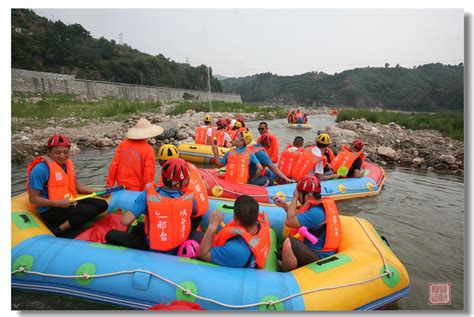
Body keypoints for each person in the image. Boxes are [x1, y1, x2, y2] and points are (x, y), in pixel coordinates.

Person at [105, 158, 204, 252]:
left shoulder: (147, 196)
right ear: (177, 184)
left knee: (111, 235)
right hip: (178, 246)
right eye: (187, 178)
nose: (188, 180)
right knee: (139, 227)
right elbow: (194, 214)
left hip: (151, 247)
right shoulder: (190, 199)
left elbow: (124, 221)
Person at [27, 134, 108, 237]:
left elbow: (77, 186)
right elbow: (33, 199)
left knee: (102, 204)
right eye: (57, 152)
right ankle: (58, 230)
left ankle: (75, 221)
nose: (62, 156)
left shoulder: (67, 164)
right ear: (49, 152)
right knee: (89, 210)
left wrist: (98, 191)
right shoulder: (40, 170)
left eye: (65, 152)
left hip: (67, 202)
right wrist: (57, 203)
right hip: (50, 210)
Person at [273, 176, 341, 272]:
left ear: (309, 195)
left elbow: (290, 222)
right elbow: (297, 218)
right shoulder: (315, 208)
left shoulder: (316, 213)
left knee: (289, 242)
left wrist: (295, 198)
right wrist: (284, 205)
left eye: (299, 193)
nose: (298, 195)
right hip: (313, 252)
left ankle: (285, 275)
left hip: (320, 257)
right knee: (281, 250)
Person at [199, 195, 271, 269]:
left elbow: (204, 255)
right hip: (245, 253)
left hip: (238, 255)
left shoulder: (234, 249)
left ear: (235, 217)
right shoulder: (261, 222)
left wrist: (212, 227)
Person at [106, 118, 163, 191]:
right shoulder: (148, 149)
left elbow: (114, 165)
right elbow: (149, 173)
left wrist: (109, 184)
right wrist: (148, 191)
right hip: (137, 190)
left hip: (121, 187)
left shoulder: (122, 145)